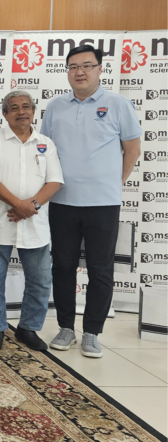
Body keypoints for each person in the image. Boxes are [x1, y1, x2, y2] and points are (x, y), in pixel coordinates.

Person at [40, 46, 141, 358]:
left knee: (100, 270)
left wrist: (114, 183)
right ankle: (66, 327)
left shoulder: (118, 104)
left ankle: (92, 332)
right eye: (73, 67)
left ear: (99, 69)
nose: (79, 72)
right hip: (62, 201)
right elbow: (44, 150)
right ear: (67, 71)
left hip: (103, 203)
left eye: (86, 65)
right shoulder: (55, 106)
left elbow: (132, 149)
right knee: (63, 267)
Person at [0, 91, 64, 352]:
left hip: (34, 224)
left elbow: (54, 181)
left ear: (34, 112)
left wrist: (30, 206)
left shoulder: (46, 143)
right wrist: (19, 204)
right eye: (14, 108)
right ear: (5, 114)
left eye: (26, 107)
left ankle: (28, 328)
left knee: (40, 281)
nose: (21, 112)